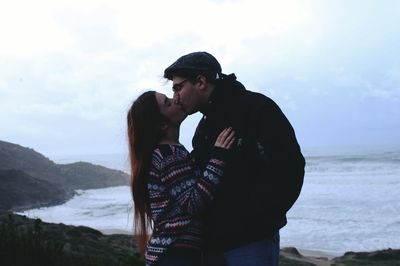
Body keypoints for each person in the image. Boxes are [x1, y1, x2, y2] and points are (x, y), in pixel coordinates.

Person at [163, 52, 306, 266]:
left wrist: (258, 222)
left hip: (250, 242)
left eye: (178, 87)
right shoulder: (205, 125)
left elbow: (290, 168)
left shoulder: (256, 108)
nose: (175, 97)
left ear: (200, 81)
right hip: (211, 243)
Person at [127, 90, 235, 266]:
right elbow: (193, 203)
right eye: (168, 103)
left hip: (174, 253)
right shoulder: (167, 155)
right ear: (162, 124)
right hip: (176, 255)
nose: (176, 99)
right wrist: (218, 157)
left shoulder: (169, 151)